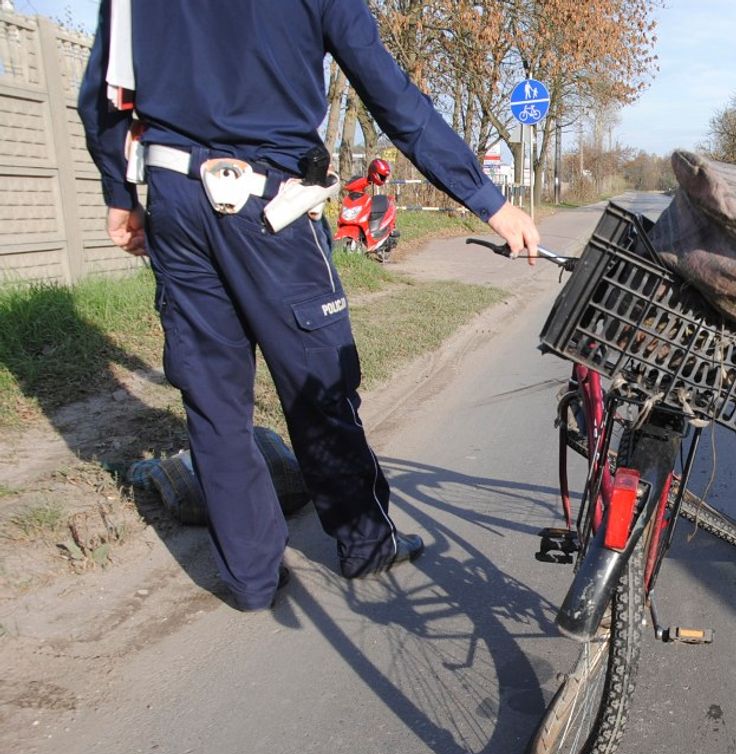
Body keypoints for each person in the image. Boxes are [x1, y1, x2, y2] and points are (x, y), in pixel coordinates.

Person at [79, 0, 541, 611]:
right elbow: (393, 98)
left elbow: (104, 94)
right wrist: (488, 199)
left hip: (176, 199)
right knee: (318, 384)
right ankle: (365, 542)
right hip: (272, 205)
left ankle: (250, 580)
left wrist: (120, 192)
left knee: (214, 400)